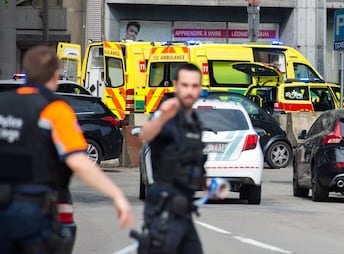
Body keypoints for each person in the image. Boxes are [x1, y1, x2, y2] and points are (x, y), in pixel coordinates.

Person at [0, 46, 133, 253]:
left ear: (25, 72)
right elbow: (79, 161)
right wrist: (116, 194)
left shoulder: (3, 103)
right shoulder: (54, 109)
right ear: (55, 75)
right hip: (32, 212)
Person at [139, 63, 206, 254]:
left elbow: (193, 165)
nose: (189, 91)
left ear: (200, 88)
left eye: (194, 86)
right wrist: (160, 118)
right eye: (185, 85)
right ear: (176, 86)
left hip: (184, 211)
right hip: (164, 212)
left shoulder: (193, 123)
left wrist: (211, 184)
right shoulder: (167, 115)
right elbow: (145, 135)